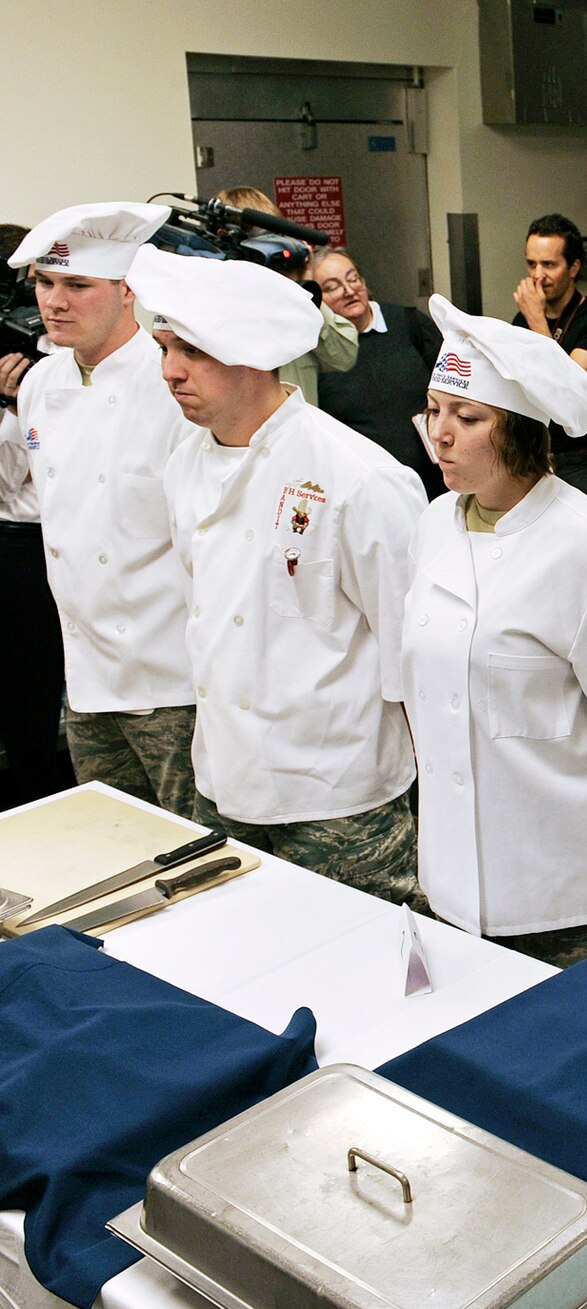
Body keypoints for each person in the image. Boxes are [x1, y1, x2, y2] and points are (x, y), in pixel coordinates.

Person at [128, 246, 428, 903]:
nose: (171, 372)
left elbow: (414, 652)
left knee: (363, 975)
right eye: (164, 349)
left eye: (192, 353)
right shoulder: (183, 465)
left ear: (255, 354)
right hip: (225, 782)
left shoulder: (357, 475)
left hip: (339, 798)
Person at [404, 296, 587, 966]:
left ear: (521, 431)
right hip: (451, 894)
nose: (439, 433)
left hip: (577, 903)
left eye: (467, 417)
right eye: (435, 409)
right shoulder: (431, 527)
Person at [0, 203, 207, 820]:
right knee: (115, 840)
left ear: (127, 292)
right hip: (86, 680)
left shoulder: (174, 384)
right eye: (44, 283)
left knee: (197, 851)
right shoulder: (40, 383)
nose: (55, 301)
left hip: (173, 679)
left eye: (77, 285)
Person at [0, 219, 72, 806]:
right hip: (20, 543)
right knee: (29, 689)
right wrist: (9, 406)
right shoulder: (25, 372)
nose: (52, 302)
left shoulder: (66, 362)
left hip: (75, 539)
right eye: (40, 285)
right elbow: (9, 480)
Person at [310, 247, 446, 497]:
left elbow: (451, 391)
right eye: (332, 287)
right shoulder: (317, 351)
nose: (349, 291)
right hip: (364, 492)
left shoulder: (408, 323)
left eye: (353, 279)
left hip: (434, 482)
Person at [512, 213, 587, 498]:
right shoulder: (521, 319)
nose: (538, 275)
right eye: (531, 264)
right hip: (530, 455)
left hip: (575, 459)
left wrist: (537, 320)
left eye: (549, 265)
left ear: (574, 267)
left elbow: (568, 386)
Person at [214, 187, 357, 407]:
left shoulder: (293, 306)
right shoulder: (211, 304)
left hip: (294, 437)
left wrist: (302, 291)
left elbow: (344, 356)